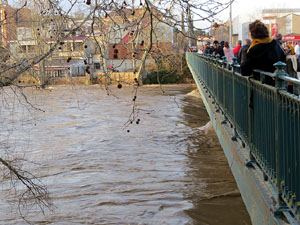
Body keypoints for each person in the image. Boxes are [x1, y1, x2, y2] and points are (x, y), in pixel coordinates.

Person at [240, 20, 286, 85]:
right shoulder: (276, 45)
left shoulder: (254, 50)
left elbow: (244, 71)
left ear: (253, 35)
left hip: (260, 87)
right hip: (278, 85)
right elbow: (283, 58)